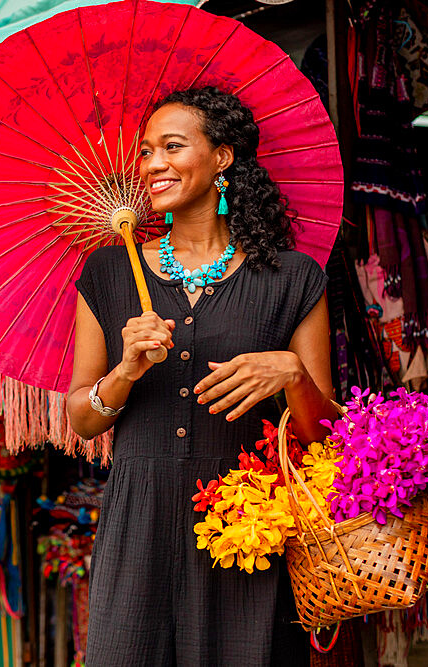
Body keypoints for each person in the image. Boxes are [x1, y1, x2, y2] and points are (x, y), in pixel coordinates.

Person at [67, 86, 340, 666]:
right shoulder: (109, 271)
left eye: (172, 146)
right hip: (137, 525)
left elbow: (327, 437)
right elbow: (83, 420)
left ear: (223, 157)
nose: (153, 165)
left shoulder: (291, 278)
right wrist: (125, 370)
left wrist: (292, 375)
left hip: (247, 531)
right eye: (145, 152)